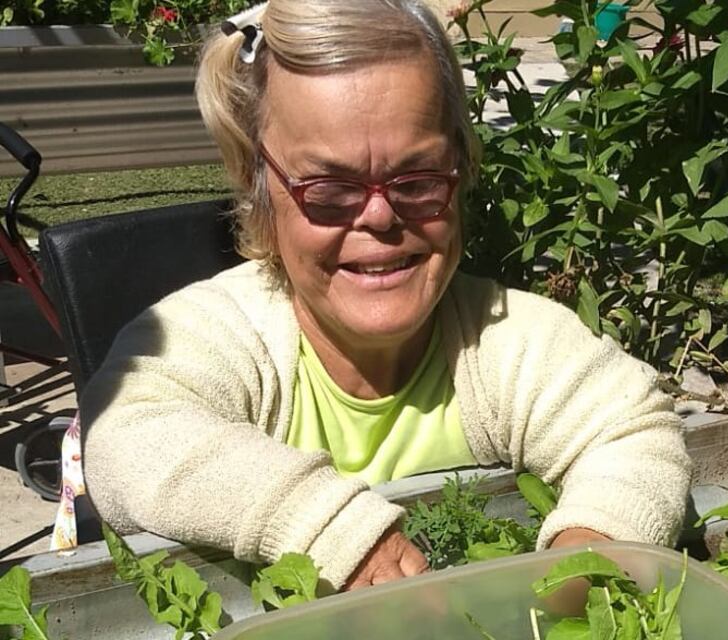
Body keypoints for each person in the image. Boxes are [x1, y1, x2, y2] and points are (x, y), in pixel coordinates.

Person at [80, 0, 692, 592]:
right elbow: (126, 435)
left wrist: (583, 566)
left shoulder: (502, 342)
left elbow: (632, 432)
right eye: (328, 188)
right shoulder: (214, 335)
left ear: (462, 167)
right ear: (259, 187)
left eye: (418, 179)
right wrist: (327, 526)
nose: (378, 217)